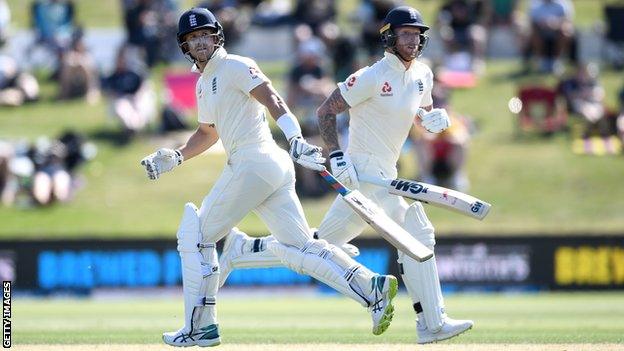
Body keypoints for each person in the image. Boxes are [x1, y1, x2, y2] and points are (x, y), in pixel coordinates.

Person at [140, 8, 399, 347]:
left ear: (216, 35)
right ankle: (371, 287)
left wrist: (296, 139)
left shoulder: (235, 64)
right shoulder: (203, 85)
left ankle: (200, 327)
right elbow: (207, 133)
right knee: (300, 247)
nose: (199, 42)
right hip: (266, 168)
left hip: (254, 161)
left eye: (204, 34)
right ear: (184, 46)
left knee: (195, 237)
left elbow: (273, 99)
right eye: (192, 38)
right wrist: (176, 156)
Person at [217, 6, 474, 344]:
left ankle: (244, 249)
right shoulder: (371, 76)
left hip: (386, 172)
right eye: (406, 33)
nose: (413, 40)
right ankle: (432, 323)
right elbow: (326, 110)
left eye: (417, 34)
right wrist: (336, 155)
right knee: (417, 232)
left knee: (318, 246)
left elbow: (417, 111)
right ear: (389, 37)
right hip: (363, 174)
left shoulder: (423, 75)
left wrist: (429, 120)